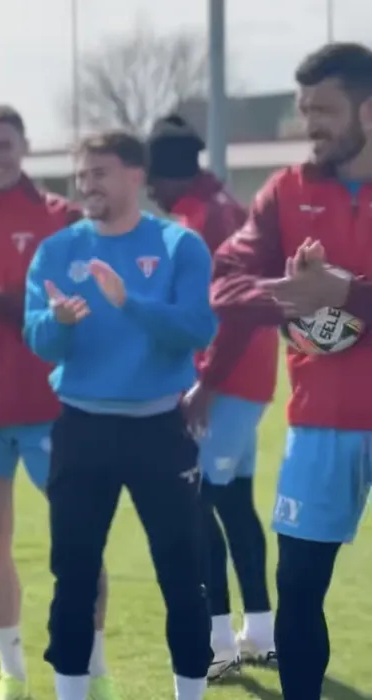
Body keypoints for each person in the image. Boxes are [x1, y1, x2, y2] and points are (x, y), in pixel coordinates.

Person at [0, 105, 116, 700]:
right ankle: (11, 674)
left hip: (53, 406)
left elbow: (83, 311)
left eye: (3, 145)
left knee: (78, 538)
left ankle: (95, 672)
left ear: (25, 147)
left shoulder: (63, 221)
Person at [24, 130, 217, 700]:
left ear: (136, 175)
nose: (87, 185)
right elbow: (40, 340)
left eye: (100, 173)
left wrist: (129, 303)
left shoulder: (179, 245)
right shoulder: (57, 251)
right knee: (73, 574)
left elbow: (198, 328)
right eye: (82, 175)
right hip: (82, 430)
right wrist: (59, 322)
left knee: (183, 573)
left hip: (160, 429)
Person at [209, 42, 372, 700]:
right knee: (298, 586)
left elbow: (344, 297)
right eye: (304, 110)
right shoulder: (285, 192)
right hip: (320, 423)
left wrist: (346, 294)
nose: (310, 125)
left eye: (323, 110)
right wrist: (289, 297)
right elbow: (226, 280)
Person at [145, 114, 277, 678]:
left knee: (196, 506)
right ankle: (261, 633)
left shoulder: (202, 220)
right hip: (251, 375)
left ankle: (219, 646)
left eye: (151, 176)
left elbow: (226, 310)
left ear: (167, 172)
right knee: (233, 503)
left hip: (225, 380)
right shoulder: (221, 205)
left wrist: (206, 383)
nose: (148, 188)